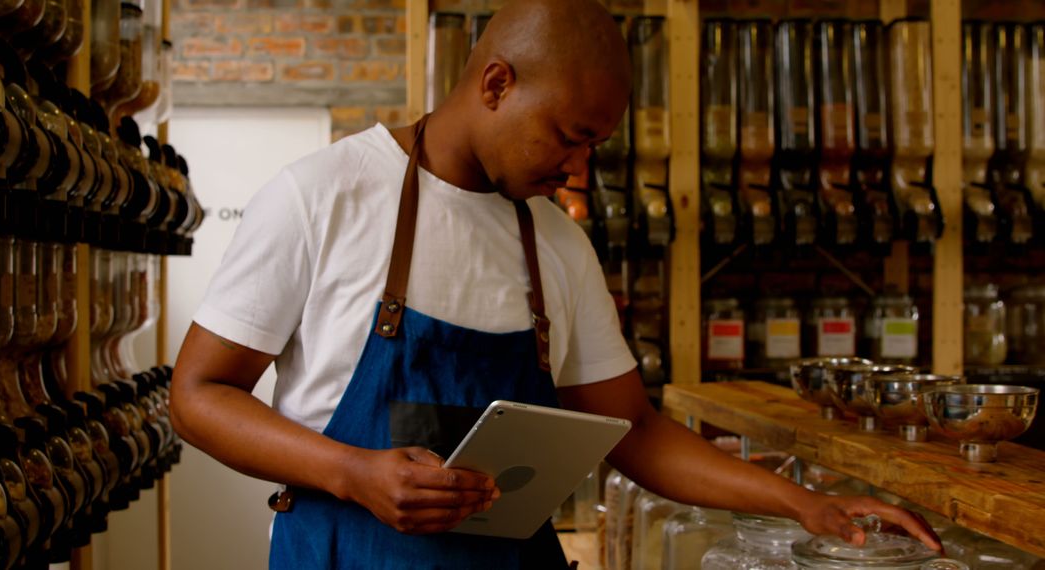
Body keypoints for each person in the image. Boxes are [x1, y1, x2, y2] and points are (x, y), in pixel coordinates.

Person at [169, 0, 942, 567]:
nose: (578, 170)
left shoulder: (555, 244)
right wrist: (352, 470)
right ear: (497, 83)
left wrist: (808, 504)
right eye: (571, 137)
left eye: (596, 147)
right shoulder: (325, 195)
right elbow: (198, 397)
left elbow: (633, 432)